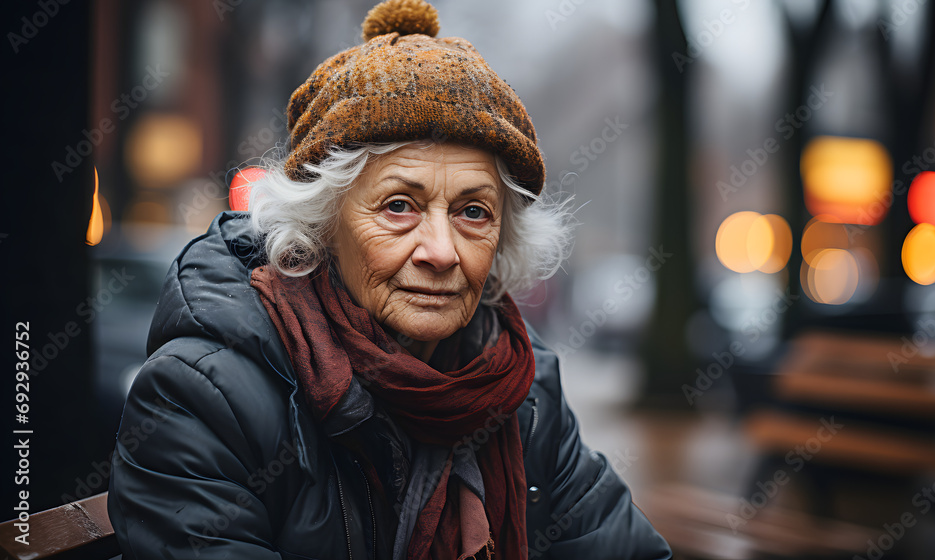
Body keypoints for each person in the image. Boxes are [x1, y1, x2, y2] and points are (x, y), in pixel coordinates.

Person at [108, 1, 671, 558]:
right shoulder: (204, 397)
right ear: (321, 227)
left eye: (473, 212)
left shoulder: (524, 390)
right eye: (400, 206)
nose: (442, 251)